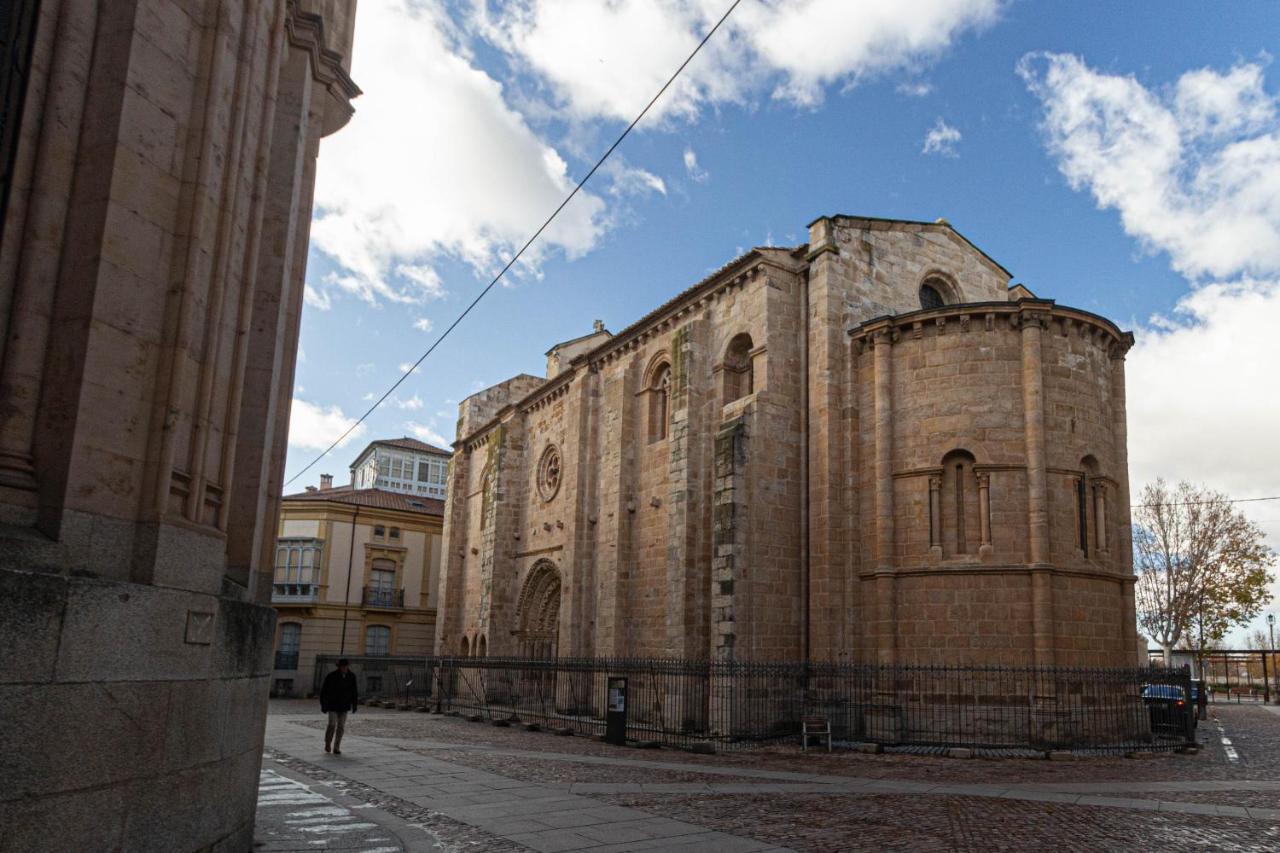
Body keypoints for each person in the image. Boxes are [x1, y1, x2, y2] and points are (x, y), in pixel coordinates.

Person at [320, 658, 359, 754]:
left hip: (344, 705)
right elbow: (324, 692)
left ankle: (336, 747)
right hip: (332, 705)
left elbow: (354, 692)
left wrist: (354, 705)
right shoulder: (331, 676)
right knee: (332, 725)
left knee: (341, 727)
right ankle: (328, 742)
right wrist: (324, 705)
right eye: (342, 666)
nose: (344, 668)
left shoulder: (351, 676)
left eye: (346, 666)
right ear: (339, 667)